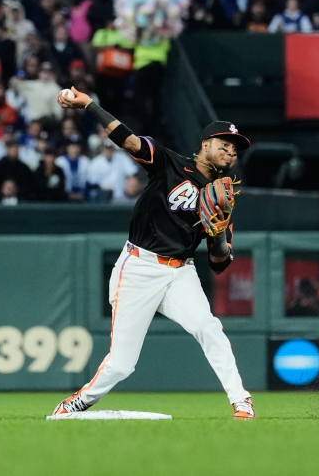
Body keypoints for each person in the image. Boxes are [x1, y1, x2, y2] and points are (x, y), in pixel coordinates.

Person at [52, 87, 255, 419]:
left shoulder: (223, 199)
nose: (230, 152)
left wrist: (218, 234)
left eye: (235, 149)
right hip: (139, 266)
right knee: (121, 364)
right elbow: (129, 140)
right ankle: (77, 401)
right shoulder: (170, 163)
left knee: (208, 326)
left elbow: (219, 263)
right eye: (224, 144)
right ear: (205, 145)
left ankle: (241, 401)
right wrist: (90, 104)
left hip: (180, 272)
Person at [87, 138, 139, 203]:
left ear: (113, 149)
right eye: (106, 149)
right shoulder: (96, 162)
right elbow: (92, 182)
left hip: (121, 196)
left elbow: (133, 172)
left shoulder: (122, 157)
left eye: (110, 149)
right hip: (103, 197)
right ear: (103, 149)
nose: (108, 151)